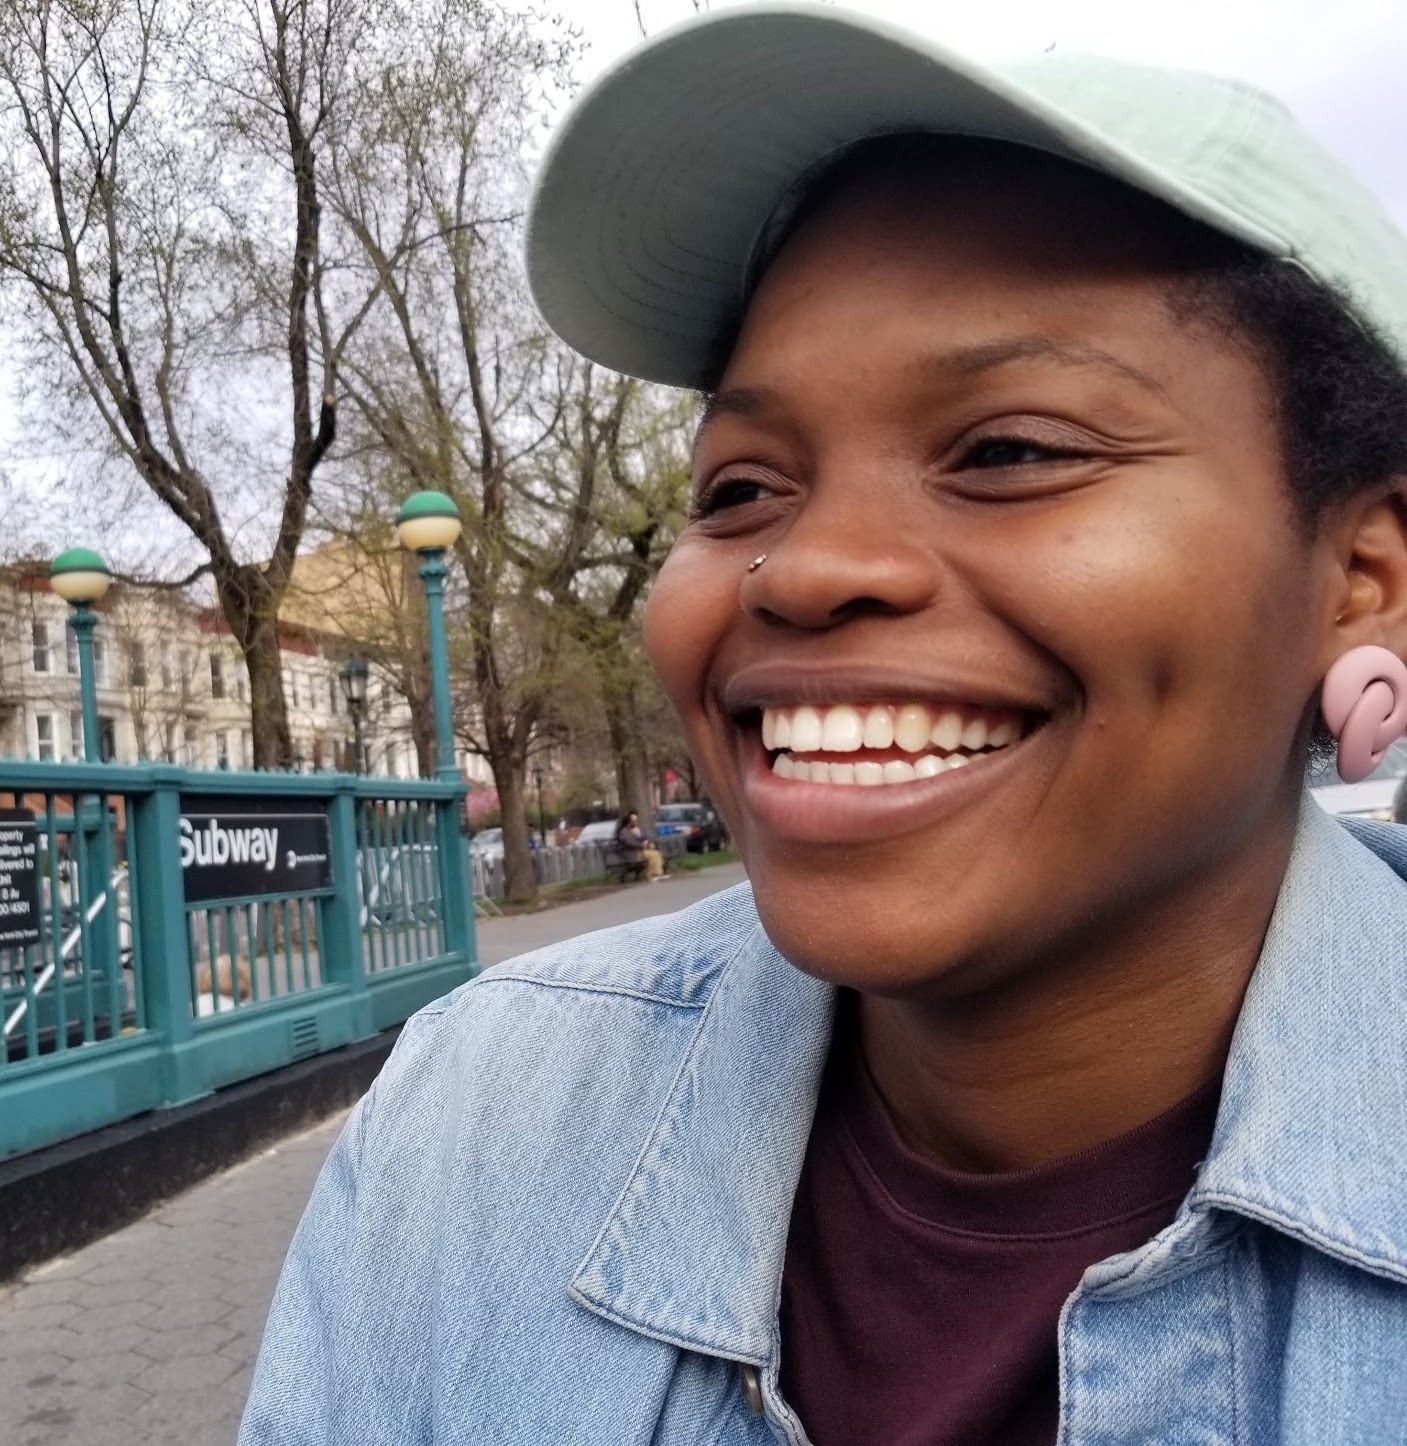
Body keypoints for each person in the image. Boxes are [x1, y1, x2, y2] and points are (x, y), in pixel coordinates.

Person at [240, 8, 1407, 1443]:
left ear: (1360, 583)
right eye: (738, 485)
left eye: (1007, 451)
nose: (797, 566)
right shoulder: (478, 1118)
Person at [617, 810, 666, 881]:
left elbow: (649, 836)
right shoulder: (624, 832)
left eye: (636, 820)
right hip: (632, 853)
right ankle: (650, 875)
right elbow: (630, 843)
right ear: (629, 822)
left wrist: (650, 843)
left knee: (656, 853)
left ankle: (658, 873)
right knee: (653, 855)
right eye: (633, 820)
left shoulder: (640, 829)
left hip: (644, 850)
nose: (636, 822)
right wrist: (643, 845)